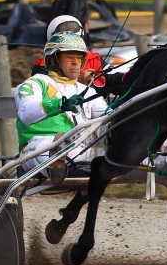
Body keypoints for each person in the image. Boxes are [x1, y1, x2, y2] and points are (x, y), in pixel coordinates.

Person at [15, 30, 108, 184]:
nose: (75, 62)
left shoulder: (87, 90)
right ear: (53, 59)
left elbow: (106, 115)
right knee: (47, 147)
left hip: (78, 149)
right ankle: (57, 161)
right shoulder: (33, 84)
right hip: (37, 147)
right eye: (69, 56)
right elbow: (26, 113)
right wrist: (59, 104)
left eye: (79, 57)